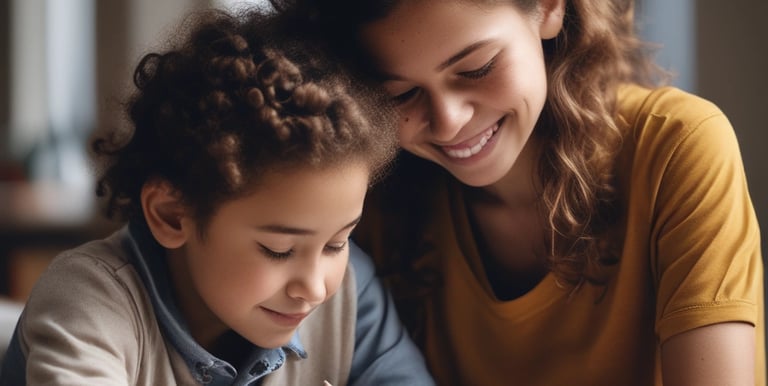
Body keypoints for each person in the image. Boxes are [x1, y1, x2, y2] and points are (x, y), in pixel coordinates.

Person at [268, 0, 766, 385]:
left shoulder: (676, 148)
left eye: (477, 67)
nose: (448, 121)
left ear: (548, 7)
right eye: (400, 94)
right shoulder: (365, 200)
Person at [0, 7, 436, 386]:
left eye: (337, 242)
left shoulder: (348, 292)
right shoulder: (88, 298)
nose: (316, 287)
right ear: (172, 215)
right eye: (279, 250)